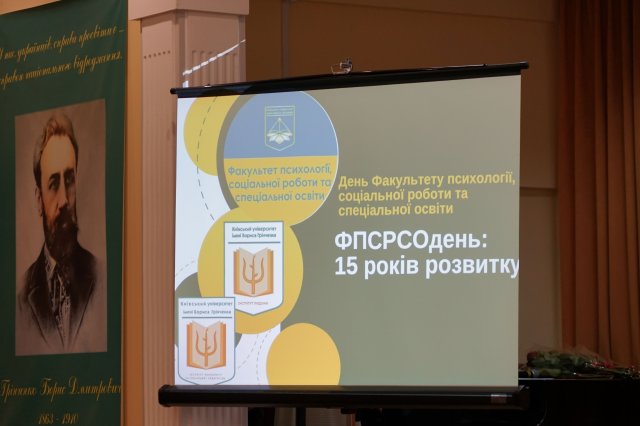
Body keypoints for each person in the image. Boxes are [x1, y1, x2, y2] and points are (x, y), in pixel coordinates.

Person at [16, 113, 106, 355]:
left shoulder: (102, 277)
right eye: (54, 184)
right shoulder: (21, 298)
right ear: (39, 200)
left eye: (70, 180)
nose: (64, 200)